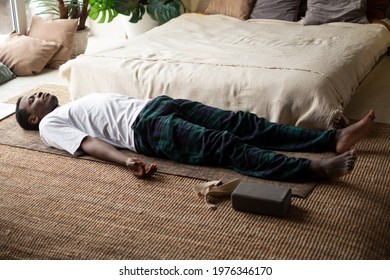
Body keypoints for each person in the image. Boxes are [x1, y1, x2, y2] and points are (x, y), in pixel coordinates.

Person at [15, 91, 375, 180]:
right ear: (33, 118)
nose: (40, 95)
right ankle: (311, 169)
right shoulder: (50, 126)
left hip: (158, 106)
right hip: (146, 130)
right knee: (225, 146)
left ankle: (330, 139)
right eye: (32, 99)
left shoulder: (73, 102)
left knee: (242, 122)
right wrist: (125, 160)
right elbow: (88, 143)